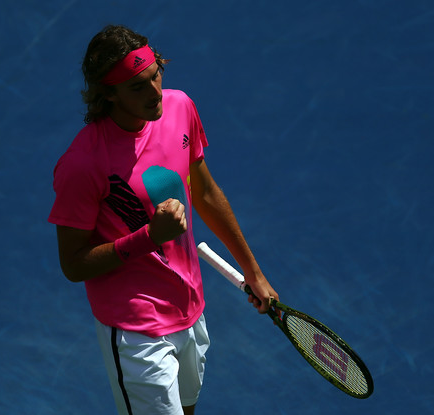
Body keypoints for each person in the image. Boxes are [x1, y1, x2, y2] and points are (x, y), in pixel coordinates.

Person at [48, 24, 279, 415]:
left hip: (190, 306)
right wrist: (149, 237)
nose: (155, 91)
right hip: (136, 328)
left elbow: (205, 193)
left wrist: (252, 271)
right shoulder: (82, 164)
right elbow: (73, 264)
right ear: (109, 93)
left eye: (156, 74)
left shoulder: (180, 107)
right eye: (138, 86)